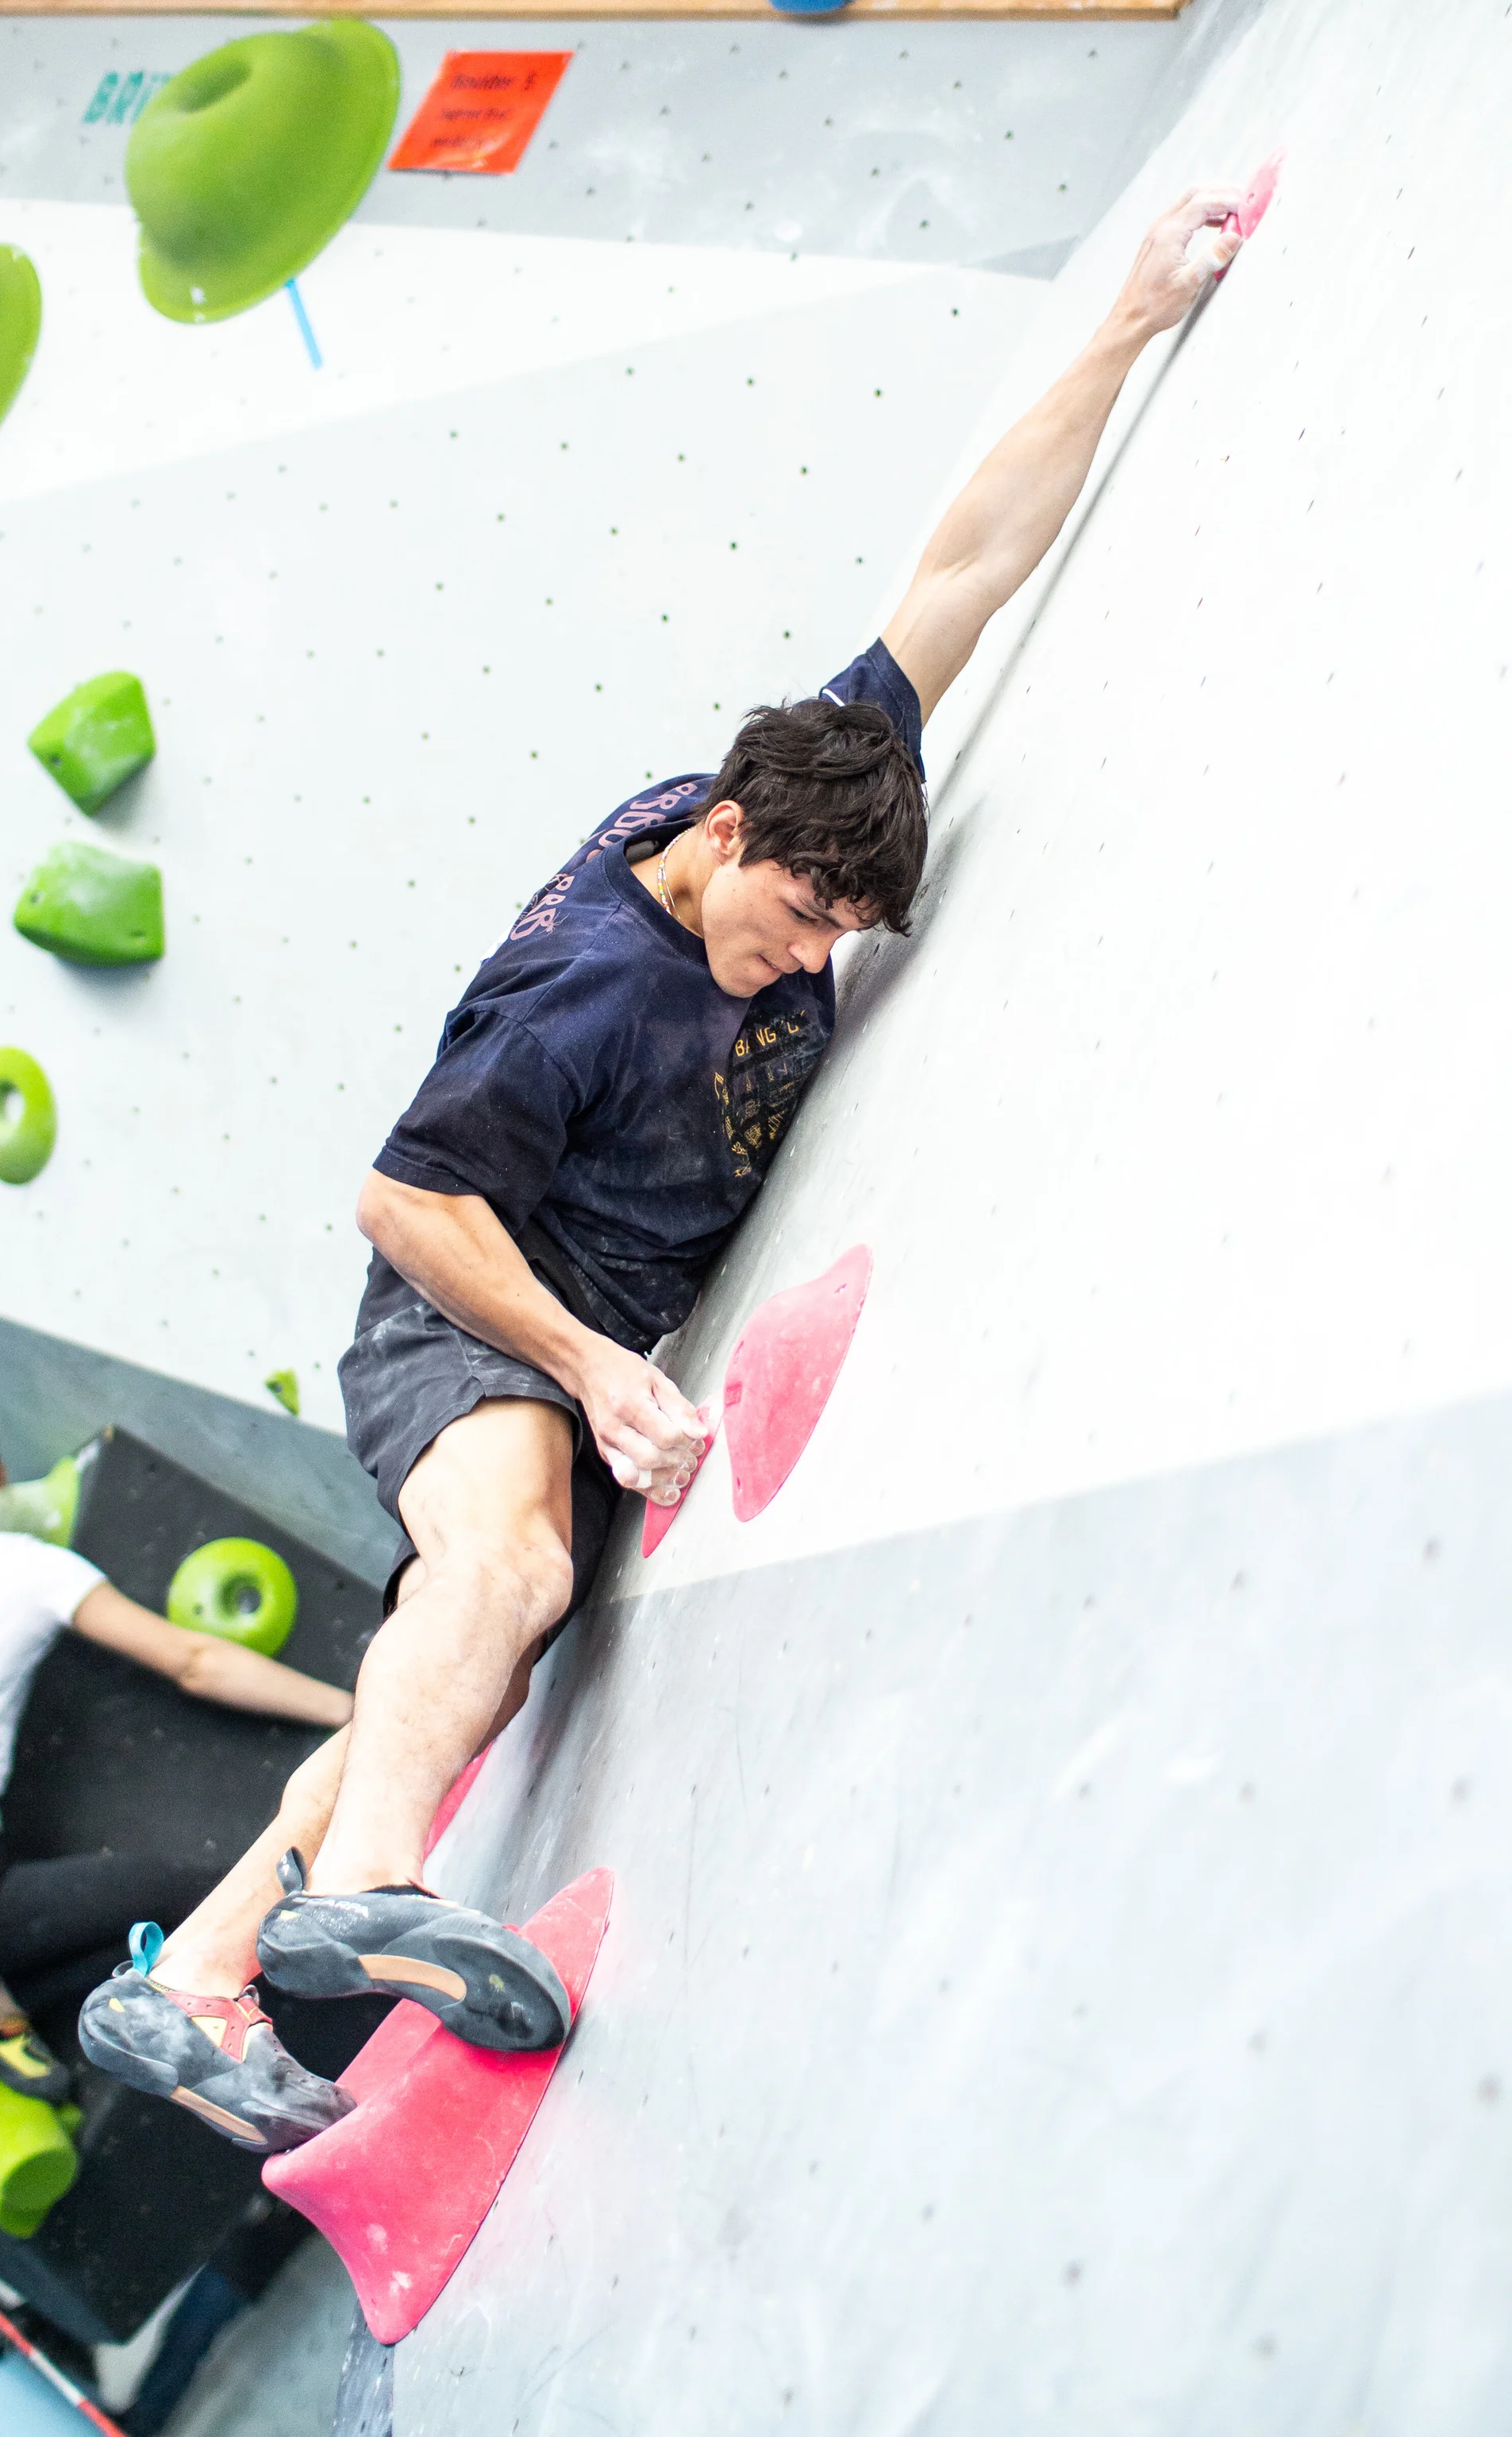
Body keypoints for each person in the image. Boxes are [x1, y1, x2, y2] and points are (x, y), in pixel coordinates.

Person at [83, 187, 1247, 2150]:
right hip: (468, 1310)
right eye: (793, 920)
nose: (802, 956)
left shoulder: (797, 787)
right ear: (719, 835)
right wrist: (595, 1363)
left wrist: (1128, 316)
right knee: (509, 1559)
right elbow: (400, 1203)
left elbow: (960, 566)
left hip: (559, 1314)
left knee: (437, 1657)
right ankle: (364, 1894)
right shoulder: (584, 994)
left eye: (830, 942)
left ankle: (187, 1974)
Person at [0, 1425, 351, 2109]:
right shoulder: (27, 1568)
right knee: (214, 1904)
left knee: (140, 1931)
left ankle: (3, 1994)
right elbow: (196, 1662)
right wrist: (354, 1709)